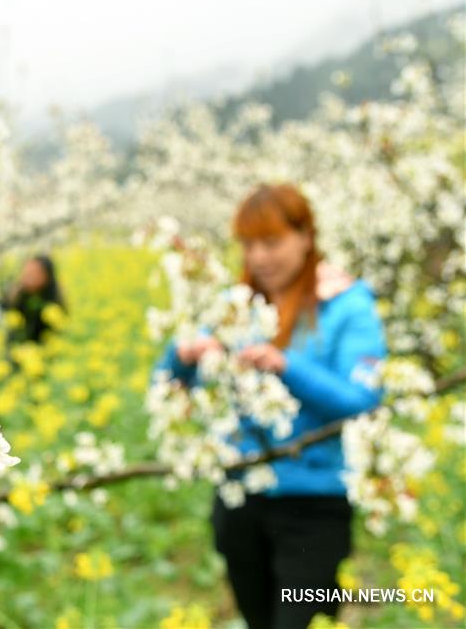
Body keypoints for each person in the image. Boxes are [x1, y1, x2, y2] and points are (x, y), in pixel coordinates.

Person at [153, 184, 386, 629]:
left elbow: (362, 401)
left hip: (314, 504)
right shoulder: (232, 304)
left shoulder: (348, 306)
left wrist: (285, 365)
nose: (260, 257)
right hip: (239, 497)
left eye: (272, 241)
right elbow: (165, 384)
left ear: (306, 237)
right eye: (249, 244)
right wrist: (180, 356)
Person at [3, 255, 66, 343]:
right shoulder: (16, 297)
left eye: (34, 273)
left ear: (47, 276)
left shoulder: (54, 304)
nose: (27, 276)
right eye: (26, 272)